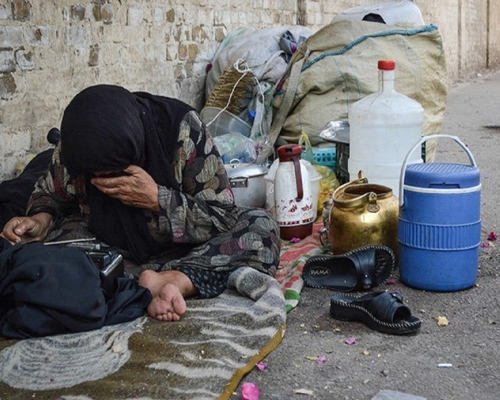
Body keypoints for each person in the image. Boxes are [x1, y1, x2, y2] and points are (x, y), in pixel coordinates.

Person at [1, 84, 281, 323]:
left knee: (261, 226)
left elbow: (222, 216)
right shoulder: (76, 146)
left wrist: (158, 199)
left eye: (118, 172)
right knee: (50, 252)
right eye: (98, 176)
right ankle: (153, 282)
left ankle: (174, 279)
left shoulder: (182, 130)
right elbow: (50, 195)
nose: (108, 181)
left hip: (189, 250)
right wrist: (39, 219)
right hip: (113, 252)